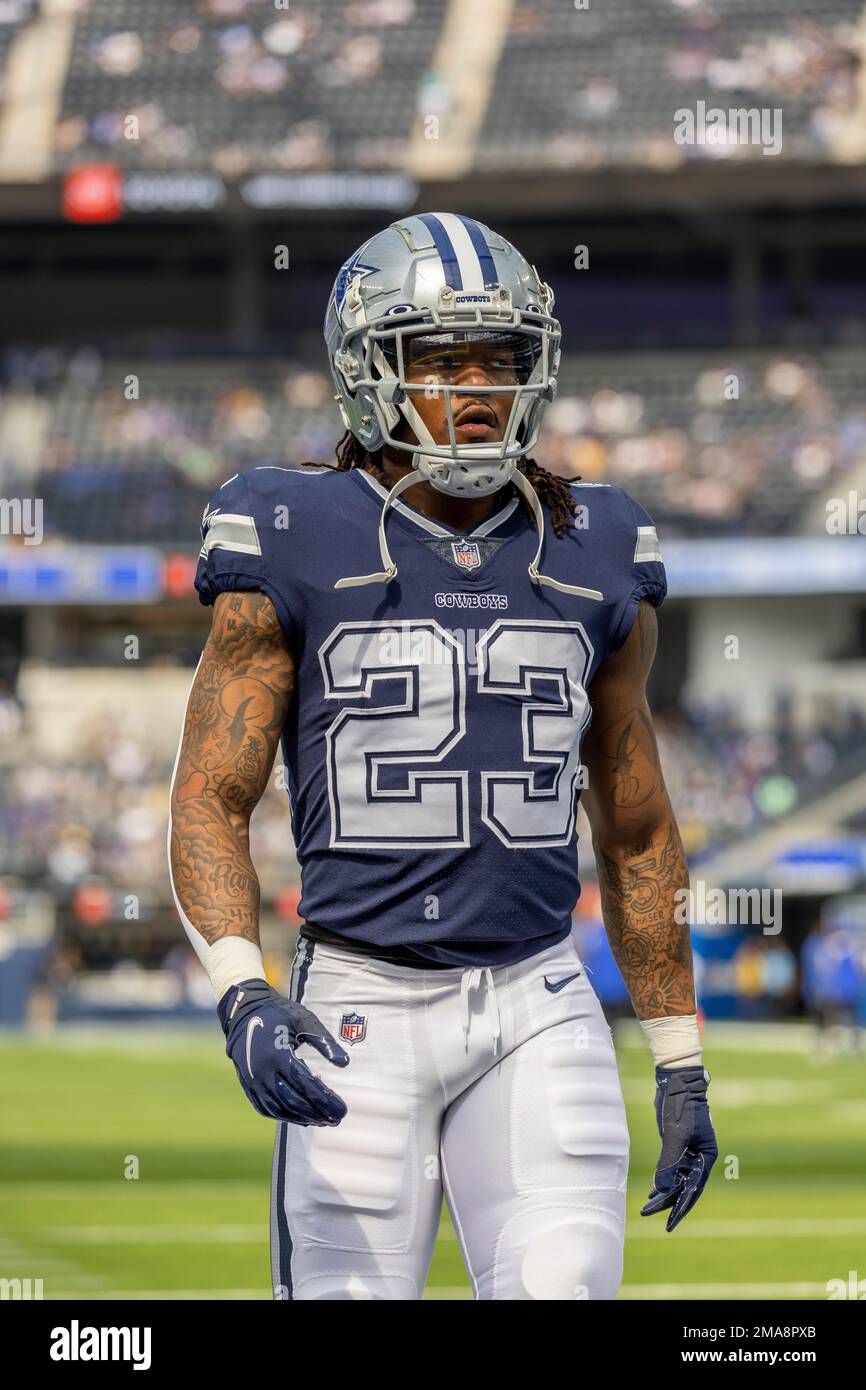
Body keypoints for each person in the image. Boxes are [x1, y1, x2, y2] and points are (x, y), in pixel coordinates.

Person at [169, 212, 717, 1300]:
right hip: (355, 1007)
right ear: (369, 374)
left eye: (499, 358)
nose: (477, 386)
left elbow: (636, 821)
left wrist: (678, 1054)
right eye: (440, 358)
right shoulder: (289, 527)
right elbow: (208, 796)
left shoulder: (592, 542)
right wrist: (242, 992)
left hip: (537, 997)